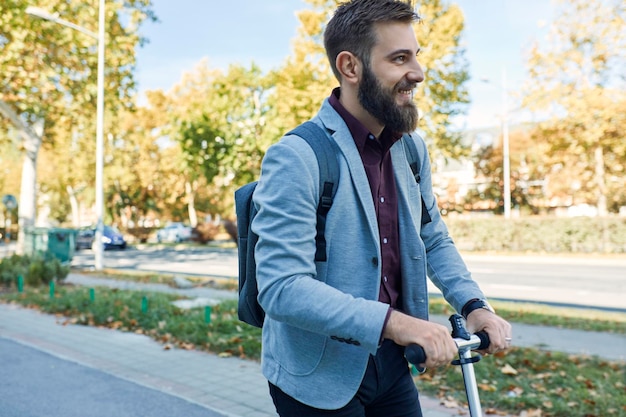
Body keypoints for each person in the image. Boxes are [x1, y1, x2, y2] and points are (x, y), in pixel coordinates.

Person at [251, 0, 513, 415]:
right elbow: (282, 288)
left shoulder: (411, 150)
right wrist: (399, 324)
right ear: (350, 67)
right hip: (318, 378)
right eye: (399, 58)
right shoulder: (297, 156)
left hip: (392, 368)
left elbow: (433, 237)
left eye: (416, 57)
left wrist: (472, 305)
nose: (418, 73)